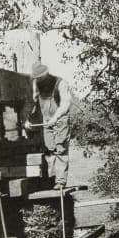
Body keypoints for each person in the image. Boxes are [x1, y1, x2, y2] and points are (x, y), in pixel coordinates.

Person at [31, 62, 72, 190]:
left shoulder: (61, 83)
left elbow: (65, 104)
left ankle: (60, 181)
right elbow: (35, 104)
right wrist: (29, 119)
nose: (38, 79)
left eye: (40, 77)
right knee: (49, 149)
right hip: (46, 120)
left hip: (60, 119)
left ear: (46, 74)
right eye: (36, 77)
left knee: (61, 149)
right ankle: (51, 179)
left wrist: (55, 118)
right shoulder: (36, 84)